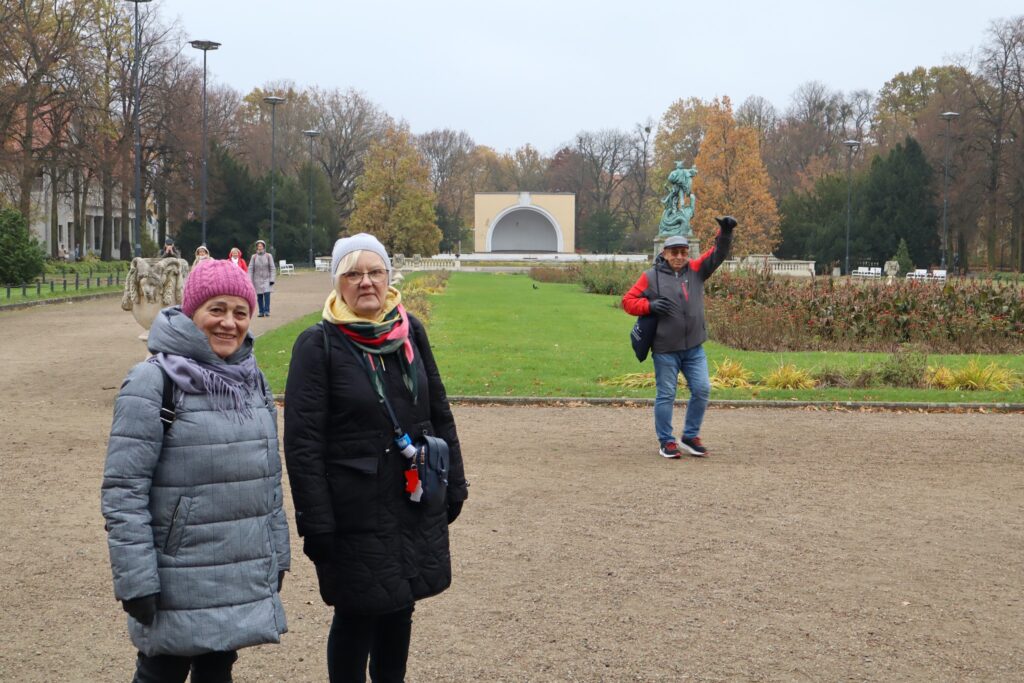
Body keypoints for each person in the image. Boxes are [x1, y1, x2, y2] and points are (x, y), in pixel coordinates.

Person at [284, 233, 468, 683]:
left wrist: (455, 483)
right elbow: (303, 443)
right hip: (355, 509)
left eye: (375, 272)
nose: (365, 282)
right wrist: (316, 521)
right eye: (353, 273)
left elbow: (438, 409)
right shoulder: (318, 345)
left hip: (411, 495)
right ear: (337, 283)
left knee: (400, 607)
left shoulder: (410, 331)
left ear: (388, 276)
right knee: (357, 613)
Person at [101, 258, 290, 682]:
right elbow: (123, 490)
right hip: (175, 575)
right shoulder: (153, 382)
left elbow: (267, 478)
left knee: (218, 669)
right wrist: (136, 580)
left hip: (236, 566)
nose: (229, 323)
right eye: (216, 310)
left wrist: (277, 552)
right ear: (192, 313)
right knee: (161, 673)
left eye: (240, 312)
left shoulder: (252, 379)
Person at [622, 216, 736, 458]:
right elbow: (628, 302)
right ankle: (666, 441)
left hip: (694, 348)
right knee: (666, 395)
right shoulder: (650, 277)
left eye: (683, 252)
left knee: (702, 389)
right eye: (674, 252)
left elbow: (717, 255)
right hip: (665, 349)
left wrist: (725, 233)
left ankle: (690, 436)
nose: (679, 257)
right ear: (664, 253)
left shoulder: (695, 270)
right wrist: (650, 306)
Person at [248, 240, 276, 317]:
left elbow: (272, 268)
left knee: (267, 294)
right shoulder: (254, 257)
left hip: (267, 279)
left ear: (264, 247)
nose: (259, 247)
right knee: (259, 296)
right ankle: (261, 311)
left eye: (261, 246)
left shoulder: (268, 256)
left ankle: (267, 311)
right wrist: (249, 280)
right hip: (257, 279)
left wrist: (272, 279)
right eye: (258, 246)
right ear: (256, 247)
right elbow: (250, 269)